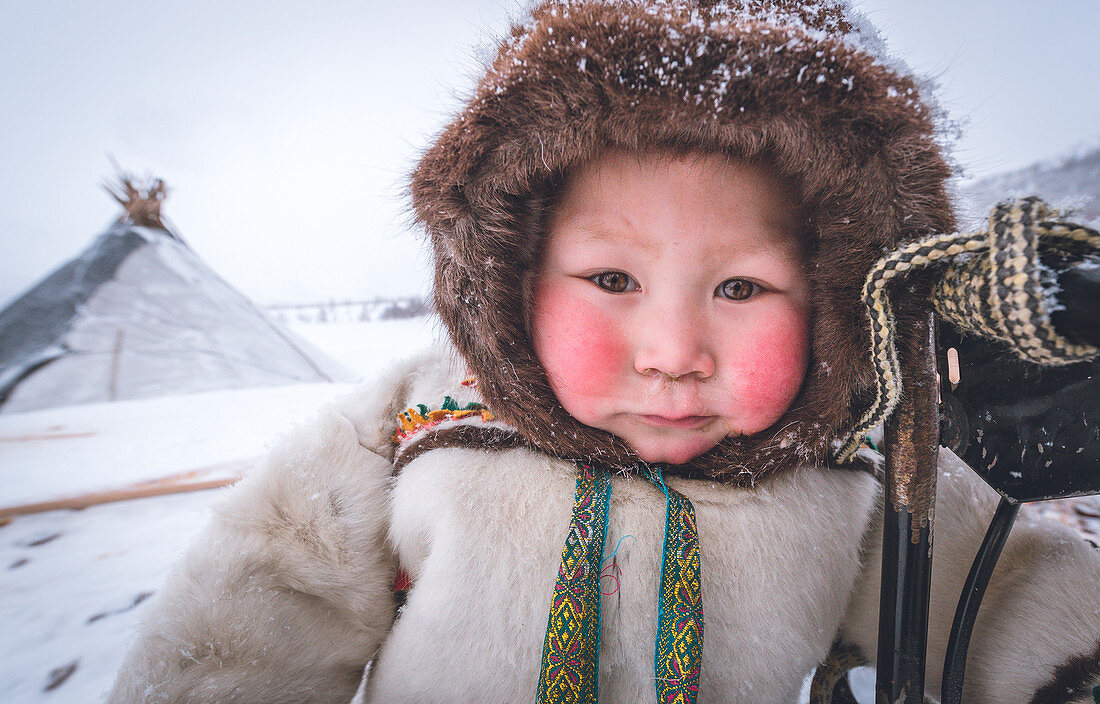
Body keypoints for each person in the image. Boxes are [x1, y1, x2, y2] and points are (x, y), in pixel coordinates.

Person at [106, 1, 1100, 702]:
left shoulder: (857, 460)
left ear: (842, 302)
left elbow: (1003, 587)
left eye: (740, 287)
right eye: (612, 279)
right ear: (509, 274)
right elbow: (265, 591)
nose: (672, 352)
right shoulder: (412, 423)